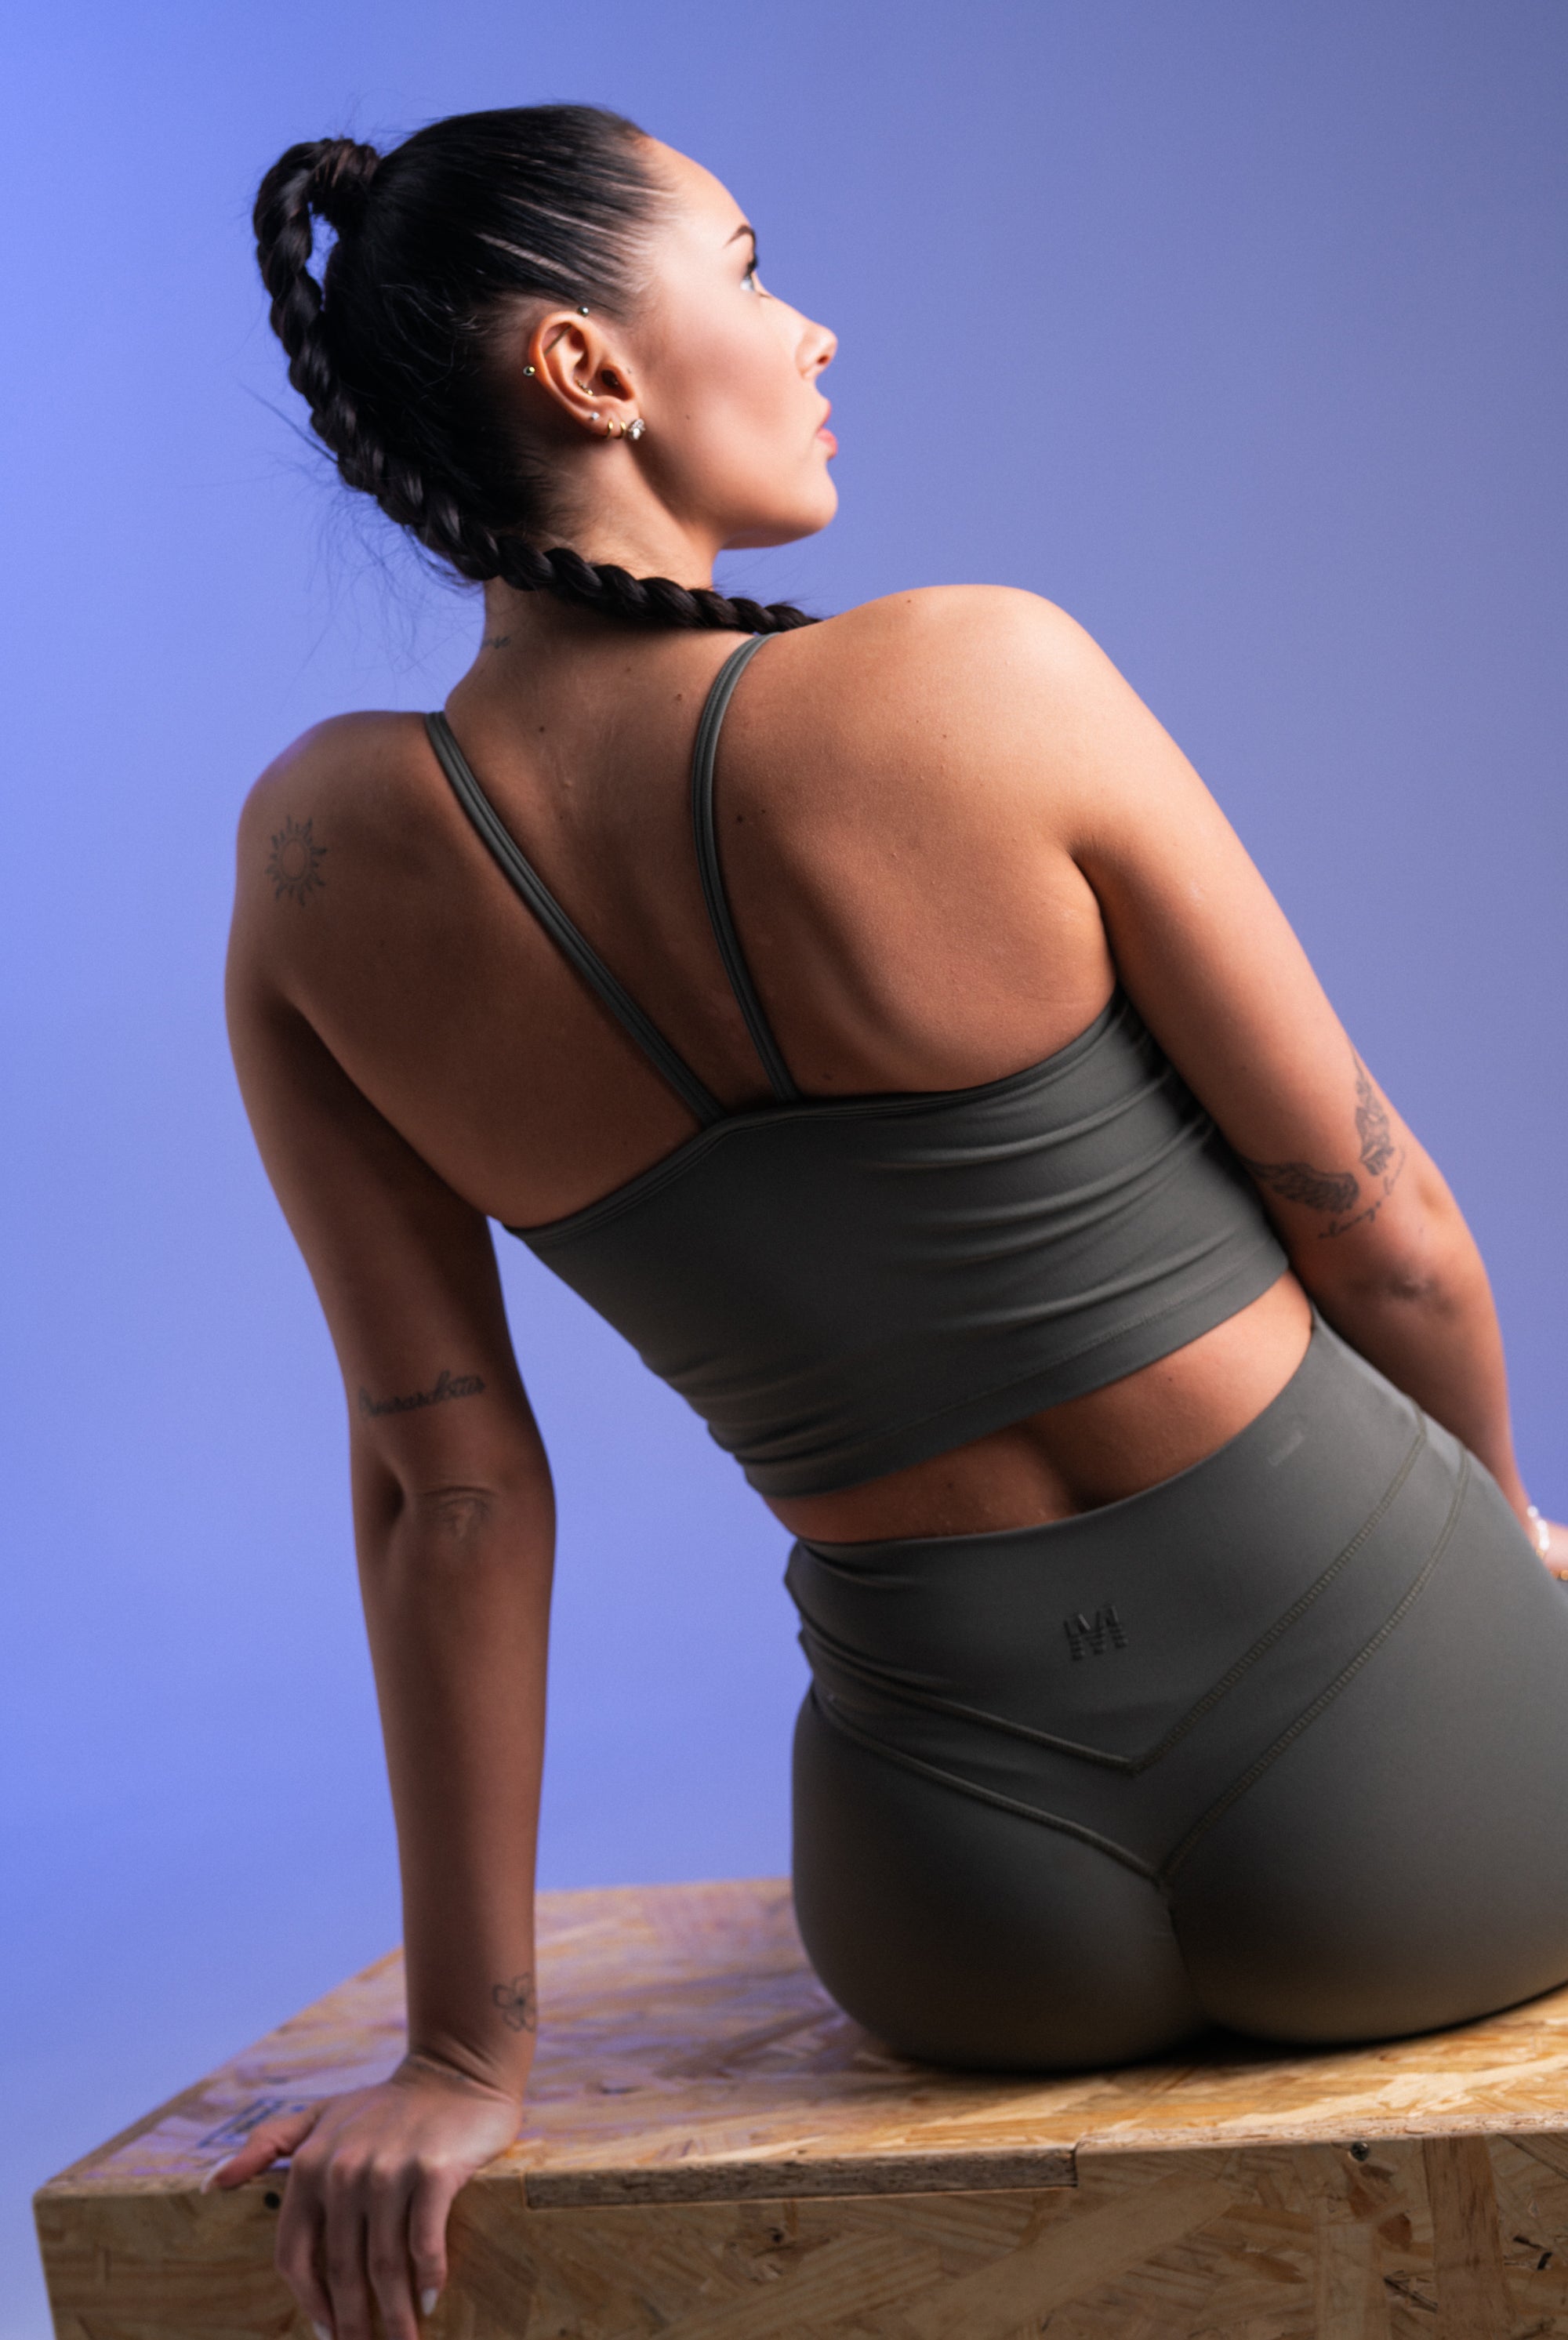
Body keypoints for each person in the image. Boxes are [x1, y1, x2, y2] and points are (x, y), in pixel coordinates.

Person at [212, 102, 1568, 2340]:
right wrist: (1502, 1544)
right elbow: (1382, 1220)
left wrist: (466, 2060)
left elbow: (446, 1491)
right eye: (751, 270)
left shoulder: (316, 869)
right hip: (1432, 1780)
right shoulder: (977, 676)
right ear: (590, 370)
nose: (813, 329)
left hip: (957, 1907)